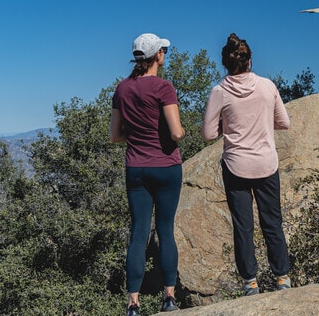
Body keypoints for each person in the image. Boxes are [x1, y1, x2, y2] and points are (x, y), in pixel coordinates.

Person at [202, 33, 291, 296]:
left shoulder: (219, 91)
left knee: (243, 226)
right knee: (272, 222)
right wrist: (262, 120)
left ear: (226, 64)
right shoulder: (267, 86)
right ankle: (282, 278)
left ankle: (250, 282)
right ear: (250, 61)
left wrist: (226, 125)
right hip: (266, 163)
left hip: (236, 166)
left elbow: (208, 134)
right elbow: (284, 122)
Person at [110, 33, 186, 316]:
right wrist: (178, 132)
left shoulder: (122, 89)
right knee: (165, 231)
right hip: (166, 166)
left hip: (136, 168)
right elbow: (176, 132)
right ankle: (168, 298)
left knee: (138, 233)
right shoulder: (164, 87)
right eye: (163, 50)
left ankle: (133, 303)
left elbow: (115, 135)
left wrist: (138, 134)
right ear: (158, 56)